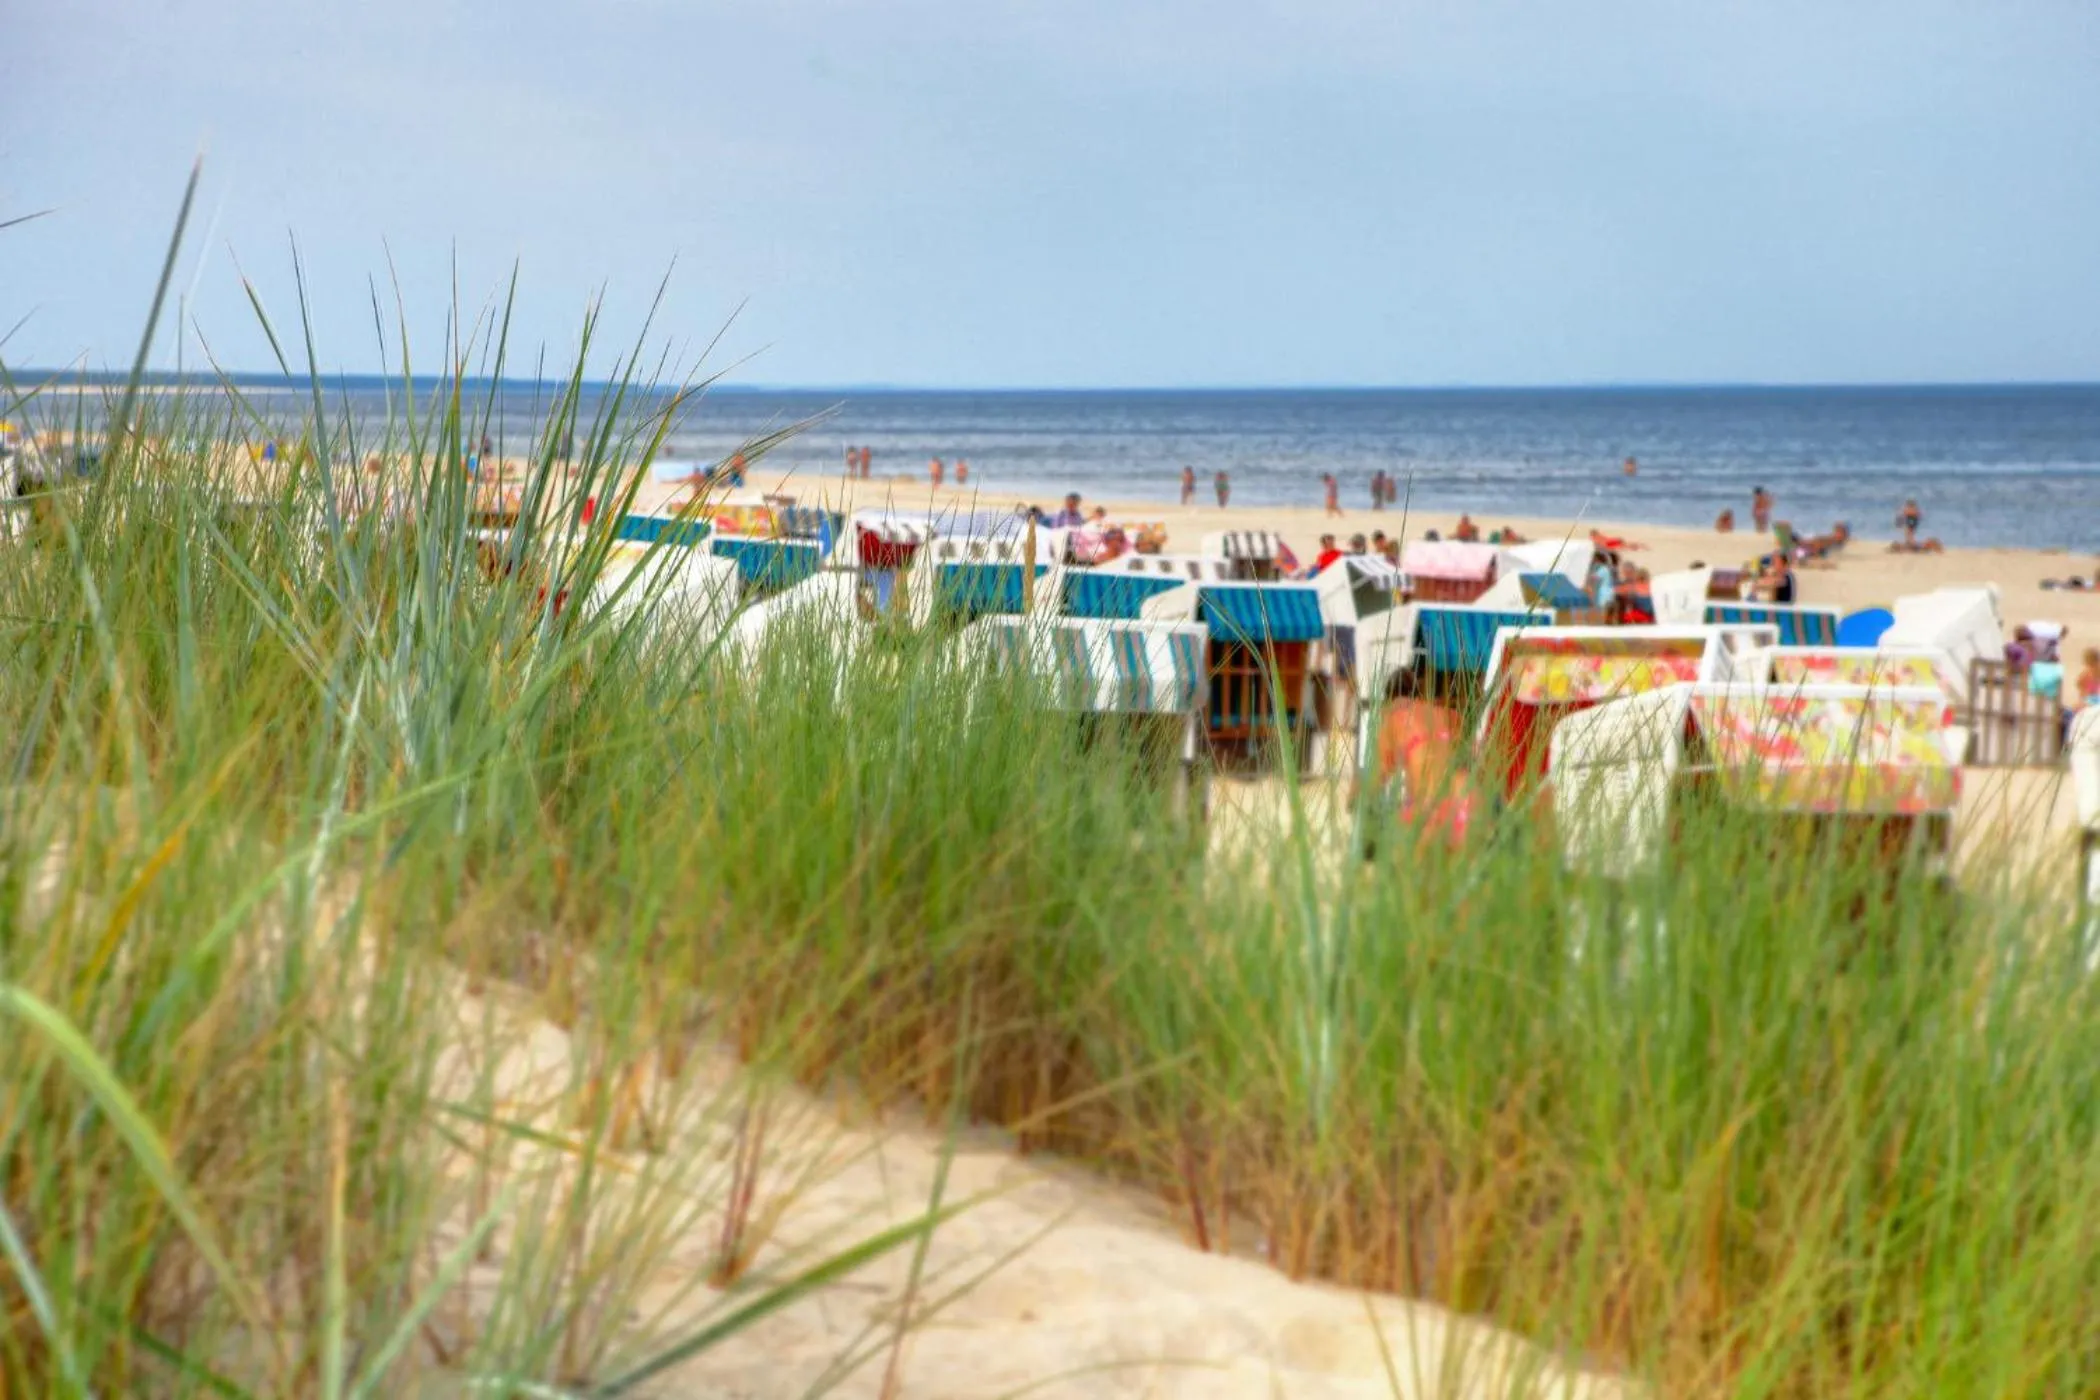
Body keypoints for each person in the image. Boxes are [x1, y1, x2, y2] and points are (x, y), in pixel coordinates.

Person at [1372, 666, 1484, 853]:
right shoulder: (1451, 715)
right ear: (1419, 696)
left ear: (1389, 700)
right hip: (1472, 807)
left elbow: (1375, 779)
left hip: (1428, 812)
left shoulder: (1392, 718)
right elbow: (1476, 759)